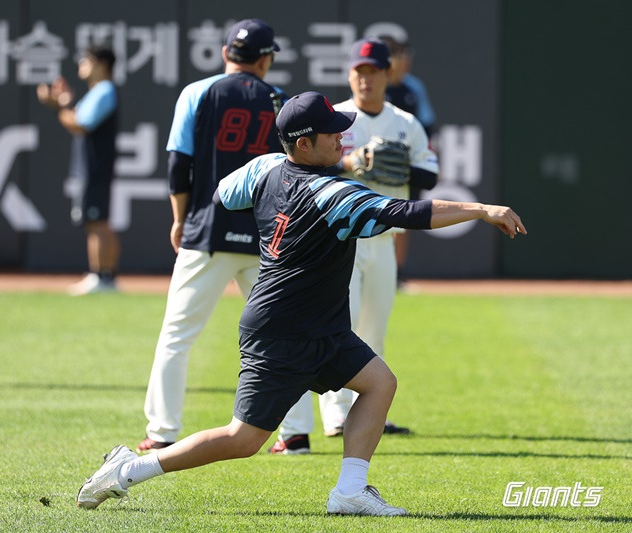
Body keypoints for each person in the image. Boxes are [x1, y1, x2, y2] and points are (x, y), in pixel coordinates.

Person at [77, 90, 526, 516]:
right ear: (305, 144)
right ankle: (129, 469)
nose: (342, 137)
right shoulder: (333, 195)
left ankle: (350, 490)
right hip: (284, 331)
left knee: (379, 384)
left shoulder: (269, 168)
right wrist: (482, 210)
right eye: (332, 133)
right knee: (243, 439)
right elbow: (406, 214)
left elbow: (222, 194)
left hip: (319, 327)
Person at [270, 38, 438, 454]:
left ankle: (363, 406)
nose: (365, 79)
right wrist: (352, 161)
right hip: (342, 240)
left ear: (387, 75)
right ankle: (336, 415)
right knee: (337, 326)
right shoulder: (336, 119)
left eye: (373, 71)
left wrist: (398, 159)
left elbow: (429, 177)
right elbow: (306, 162)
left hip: (382, 240)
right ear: (350, 75)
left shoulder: (405, 121)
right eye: (358, 72)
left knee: (375, 328)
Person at [135, 19, 287, 454]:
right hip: (265, 236)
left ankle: (163, 430)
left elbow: (178, 164)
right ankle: (294, 434)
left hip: (208, 229)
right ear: (265, 59)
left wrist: (179, 218)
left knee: (177, 334)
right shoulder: (278, 98)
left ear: (225, 54)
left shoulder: (197, 93)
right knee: (286, 334)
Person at [37, 45, 121, 295]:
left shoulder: (104, 90)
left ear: (102, 64)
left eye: (87, 60)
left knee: (97, 223)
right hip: (92, 167)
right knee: (97, 222)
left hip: (94, 167)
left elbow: (80, 124)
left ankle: (101, 277)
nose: (81, 65)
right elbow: (79, 117)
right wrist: (64, 103)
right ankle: (105, 277)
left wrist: (59, 106)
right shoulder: (97, 92)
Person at [380, 35, 437, 284]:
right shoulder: (373, 85)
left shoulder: (412, 87)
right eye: (401, 56)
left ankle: (396, 273)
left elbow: (427, 125)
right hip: (371, 166)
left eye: (406, 55)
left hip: (403, 165)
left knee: (402, 218)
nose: (406, 62)